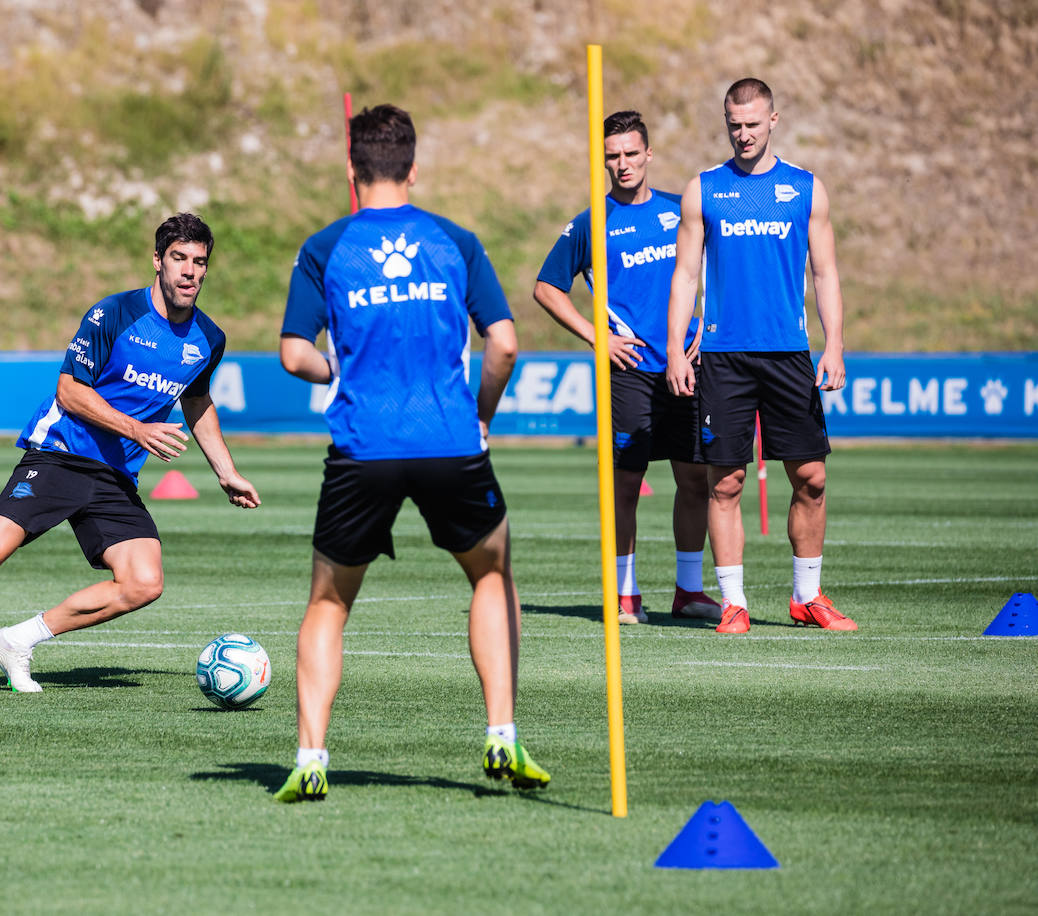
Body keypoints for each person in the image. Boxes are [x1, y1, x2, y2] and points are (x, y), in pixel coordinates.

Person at [0, 213, 261, 697]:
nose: (189, 271)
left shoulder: (209, 338)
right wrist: (136, 429)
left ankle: (18, 640)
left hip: (116, 475)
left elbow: (197, 400)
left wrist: (228, 472)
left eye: (199, 262)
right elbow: (70, 391)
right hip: (59, 454)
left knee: (144, 582)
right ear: (157, 260)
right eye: (179, 259)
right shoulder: (114, 314)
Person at [273, 104, 549, 803]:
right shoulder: (455, 240)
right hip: (450, 440)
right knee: (491, 576)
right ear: (414, 167)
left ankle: (311, 757)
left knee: (329, 603)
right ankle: (501, 735)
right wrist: (479, 417)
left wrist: (334, 370)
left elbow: (293, 354)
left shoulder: (326, 246)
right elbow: (506, 343)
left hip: (363, 445)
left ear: (352, 169)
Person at [664, 78, 854, 635]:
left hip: (789, 356)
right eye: (733, 124)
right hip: (722, 358)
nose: (742, 134)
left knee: (812, 477)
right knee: (725, 483)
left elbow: (825, 273)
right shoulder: (704, 189)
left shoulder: (806, 189)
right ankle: (734, 604)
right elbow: (685, 275)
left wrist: (835, 344)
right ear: (725, 121)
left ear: (774, 120)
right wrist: (676, 347)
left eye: (752, 123)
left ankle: (807, 596)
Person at [533, 109, 722, 626]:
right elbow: (546, 288)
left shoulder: (678, 210)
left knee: (694, 478)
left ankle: (688, 591)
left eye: (631, 154)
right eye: (612, 156)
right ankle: (626, 593)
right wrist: (600, 339)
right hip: (632, 368)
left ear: (648, 154)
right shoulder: (591, 223)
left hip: (686, 364)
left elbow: (717, 275)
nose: (623, 164)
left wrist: (709, 332)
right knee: (626, 483)